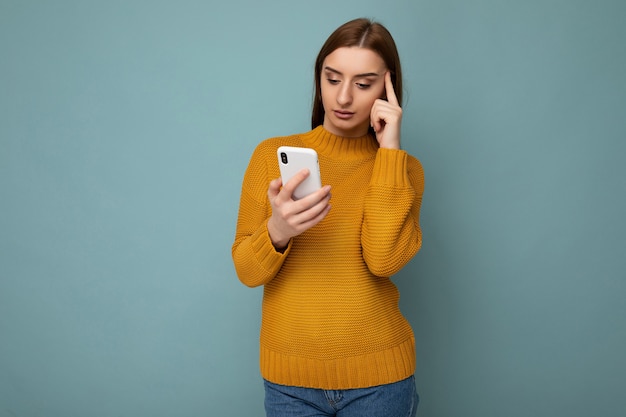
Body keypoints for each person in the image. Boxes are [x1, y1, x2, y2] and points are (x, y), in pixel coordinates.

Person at [232, 17, 424, 417]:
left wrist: (389, 153)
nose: (343, 97)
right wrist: (278, 231)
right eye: (332, 78)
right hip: (290, 382)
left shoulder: (404, 170)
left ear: (388, 87)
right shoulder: (271, 154)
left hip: (381, 380)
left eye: (363, 83)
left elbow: (383, 259)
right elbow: (248, 271)